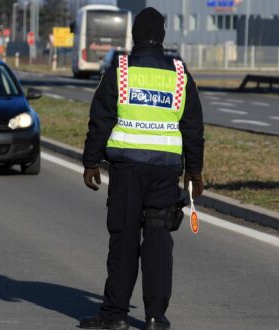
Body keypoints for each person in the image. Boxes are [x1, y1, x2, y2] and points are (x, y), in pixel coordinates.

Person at [79, 7, 204, 330]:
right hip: (165, 172)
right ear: (162, 37)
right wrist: (194, 171)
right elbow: (193, 126)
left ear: (134, 35)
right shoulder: (179, 74)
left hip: (127, 169)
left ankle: (115, 316)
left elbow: (101, 118)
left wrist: (91, 161)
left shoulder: (120, 70)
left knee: (124, 240)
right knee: (159, 243)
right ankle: (154, 317)